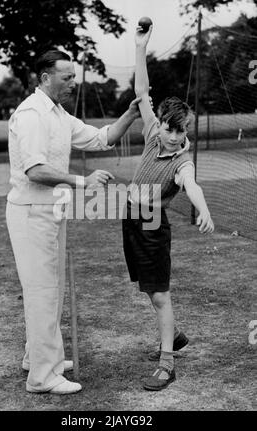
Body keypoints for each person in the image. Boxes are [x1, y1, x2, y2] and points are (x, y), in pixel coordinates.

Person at [6, 49, 141, 395]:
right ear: (45, 77)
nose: (73, 83)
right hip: (31, 212)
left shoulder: (59, 114)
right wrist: (83, 182)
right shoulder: (33, 114)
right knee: (42, 292)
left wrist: (130, 113)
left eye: (73, 76)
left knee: (51, 291)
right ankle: (42, 378)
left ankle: (37, 357)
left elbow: (101, 138)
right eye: (66, 77)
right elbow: (35, 170)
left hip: (50, 212)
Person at [122, 24, 214, 391]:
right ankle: (172, 336)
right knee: (147, 287)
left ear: (186, 128)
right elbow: (141, 92)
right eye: (168, 128)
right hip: (130, 217)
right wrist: (140, 47)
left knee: (160, 294)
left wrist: (203, 208)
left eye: (180, 130)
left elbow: (192, 184)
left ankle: (167, 363)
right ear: (160, 123)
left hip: (153, 224)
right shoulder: (151, 133)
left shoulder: (182, 161)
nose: (173, 135)